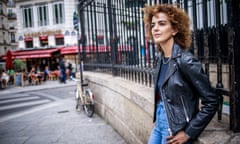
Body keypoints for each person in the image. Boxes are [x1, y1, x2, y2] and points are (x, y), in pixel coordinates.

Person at [143, 4, 218, 144]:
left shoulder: (186, 61)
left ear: (175, 29)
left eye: (162, 24)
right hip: (160, 123)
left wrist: (189, 132)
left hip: (176, 129)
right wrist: (159, 120)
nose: (155, 29)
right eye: (153, 25)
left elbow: (211, 101)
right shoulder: (160, 59)